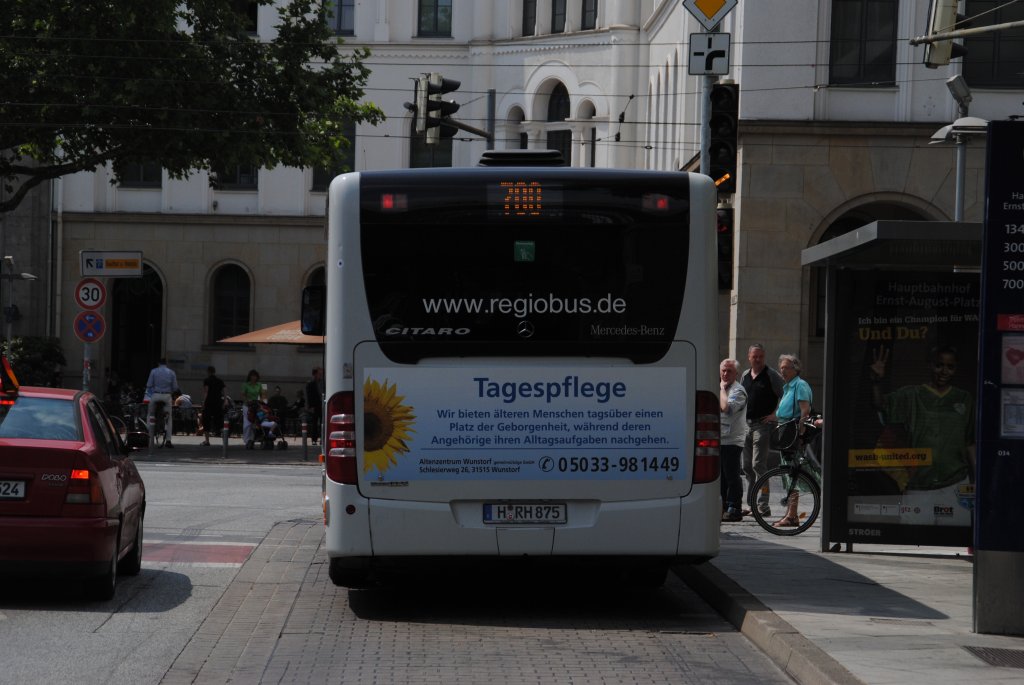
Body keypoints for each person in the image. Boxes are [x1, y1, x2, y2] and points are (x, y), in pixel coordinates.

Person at [870, 345, 975, 526]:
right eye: (939, 365)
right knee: (910, 536)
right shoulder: (912, 395)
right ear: (930, 365)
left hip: (955, 484)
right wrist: (876, 381)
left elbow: (970, 442)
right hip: (918, 485)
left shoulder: (964, 399)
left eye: (950, 367)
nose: (944, 371)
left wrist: (977, 480)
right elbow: (881, 405)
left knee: (955, 536)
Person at [766, 353, 813, 528]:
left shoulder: (800, 386)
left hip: (793, 433)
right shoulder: (789, 387)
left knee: (793, 473)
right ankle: (791, 514)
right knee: (789, 473)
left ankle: (792, 515)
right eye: (781, 368)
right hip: (786, 430)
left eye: (786, 368)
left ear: (796, 369)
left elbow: (804, 412)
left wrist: (800, 435)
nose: (782, 371)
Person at [740, 343, 784, 517]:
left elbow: (786, 395)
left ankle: (763, 506)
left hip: (762, 425)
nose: (757, 360)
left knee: (759, 465)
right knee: (746, 467)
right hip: (745, 425)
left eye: (760, 357)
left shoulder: (772, 375)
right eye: (754, 356)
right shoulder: (744, 375)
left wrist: (776, 414)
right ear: (749, 357)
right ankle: (751, 504)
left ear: (764, 357)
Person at [719, 358, 748, 522]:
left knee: (732, 475)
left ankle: (734, 507)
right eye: (723, 370)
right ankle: (722, 506)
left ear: (736, 373)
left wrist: (722, 389)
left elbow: (725, 408)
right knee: (721, 476)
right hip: (719, 439)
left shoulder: (738, 391)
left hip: (732, 440)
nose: (725, 373)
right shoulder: (718, 387)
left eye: (729, 371)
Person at [145, 357, 179, 448]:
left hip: (156, 395)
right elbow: (175, 387)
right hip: (167, 396)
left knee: (150, 414)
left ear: (158, 363)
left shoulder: (153, 371)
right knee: (169, 417)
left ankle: (149, 435)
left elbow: (149, 385)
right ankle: (168, 440)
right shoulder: (171, 372)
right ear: (166, 363)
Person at [200, 366, 226, 446]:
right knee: (220, 421)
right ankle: (224, 441)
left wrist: (203, 402)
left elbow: (206, 392)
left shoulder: (207, 380)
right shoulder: (220, 381)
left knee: (206, 421)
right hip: (218, 403)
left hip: (209, 403)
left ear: (208, 372)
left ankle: (207, 441)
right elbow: (224, 392)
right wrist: (225, 401)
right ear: (214, 372)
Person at [241, 369, 265, 449]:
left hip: (256, 405)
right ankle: (247, 440)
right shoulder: (246, 385)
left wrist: (261, 400)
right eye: (252, 376)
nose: (253, 377)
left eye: (255, 376)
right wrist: (247, 401)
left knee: (255, 423)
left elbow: (262, 395)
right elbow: (243, 395)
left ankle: (252, 439)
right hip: (247, 406)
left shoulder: (259, 385)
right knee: (247, 423)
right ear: (250, 377)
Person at [305, 366, 323, 445]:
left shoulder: (323, 382)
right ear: (315, 374)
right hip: (314, 406)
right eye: (319, 373)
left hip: (322, 405)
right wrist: (310, 407)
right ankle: (314, 439)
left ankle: (322, 439)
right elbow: (309, 396)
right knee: (314, 423)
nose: (321, 375)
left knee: (323, 423)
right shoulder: (310, 384)